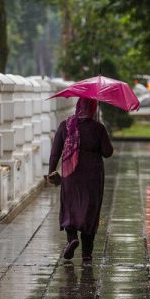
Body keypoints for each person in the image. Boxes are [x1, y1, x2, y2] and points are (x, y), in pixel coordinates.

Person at [48, 97, 113, 263]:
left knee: (70, 207)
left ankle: (72, 239)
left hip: (71, 177)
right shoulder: (98, 128)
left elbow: (55, 152)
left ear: (78, 106)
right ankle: (86, 254)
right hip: (92, 178)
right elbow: (107, 152)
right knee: (89, 211)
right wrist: (100, 134)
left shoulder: (66, 126)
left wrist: (51, 172)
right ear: (92, 108)